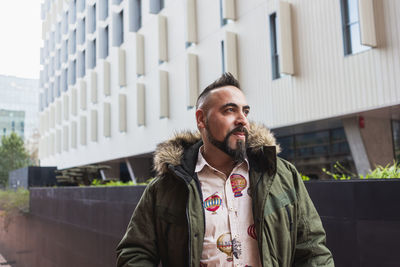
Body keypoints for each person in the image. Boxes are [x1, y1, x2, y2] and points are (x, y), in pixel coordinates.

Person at [116, 73, 334, 267]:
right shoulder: (166, 187)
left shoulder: (281, 175)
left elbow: (312, 248)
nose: (242, 120)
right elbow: (135, 252)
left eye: (245, 111)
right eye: (230, 110)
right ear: (201, 119)